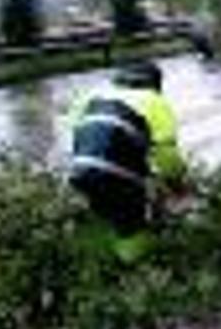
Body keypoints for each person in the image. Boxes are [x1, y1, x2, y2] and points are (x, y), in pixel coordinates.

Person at [67, 61, 185, 263]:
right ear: (155, 84)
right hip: (118, 176)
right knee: (131, 225)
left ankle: (101, 267)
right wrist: (176, 184)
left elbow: (82, 134)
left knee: (104, 217)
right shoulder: (154, 102)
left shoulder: (91, 96)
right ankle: (135, 270)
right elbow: (166, 155)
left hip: (80, 171)